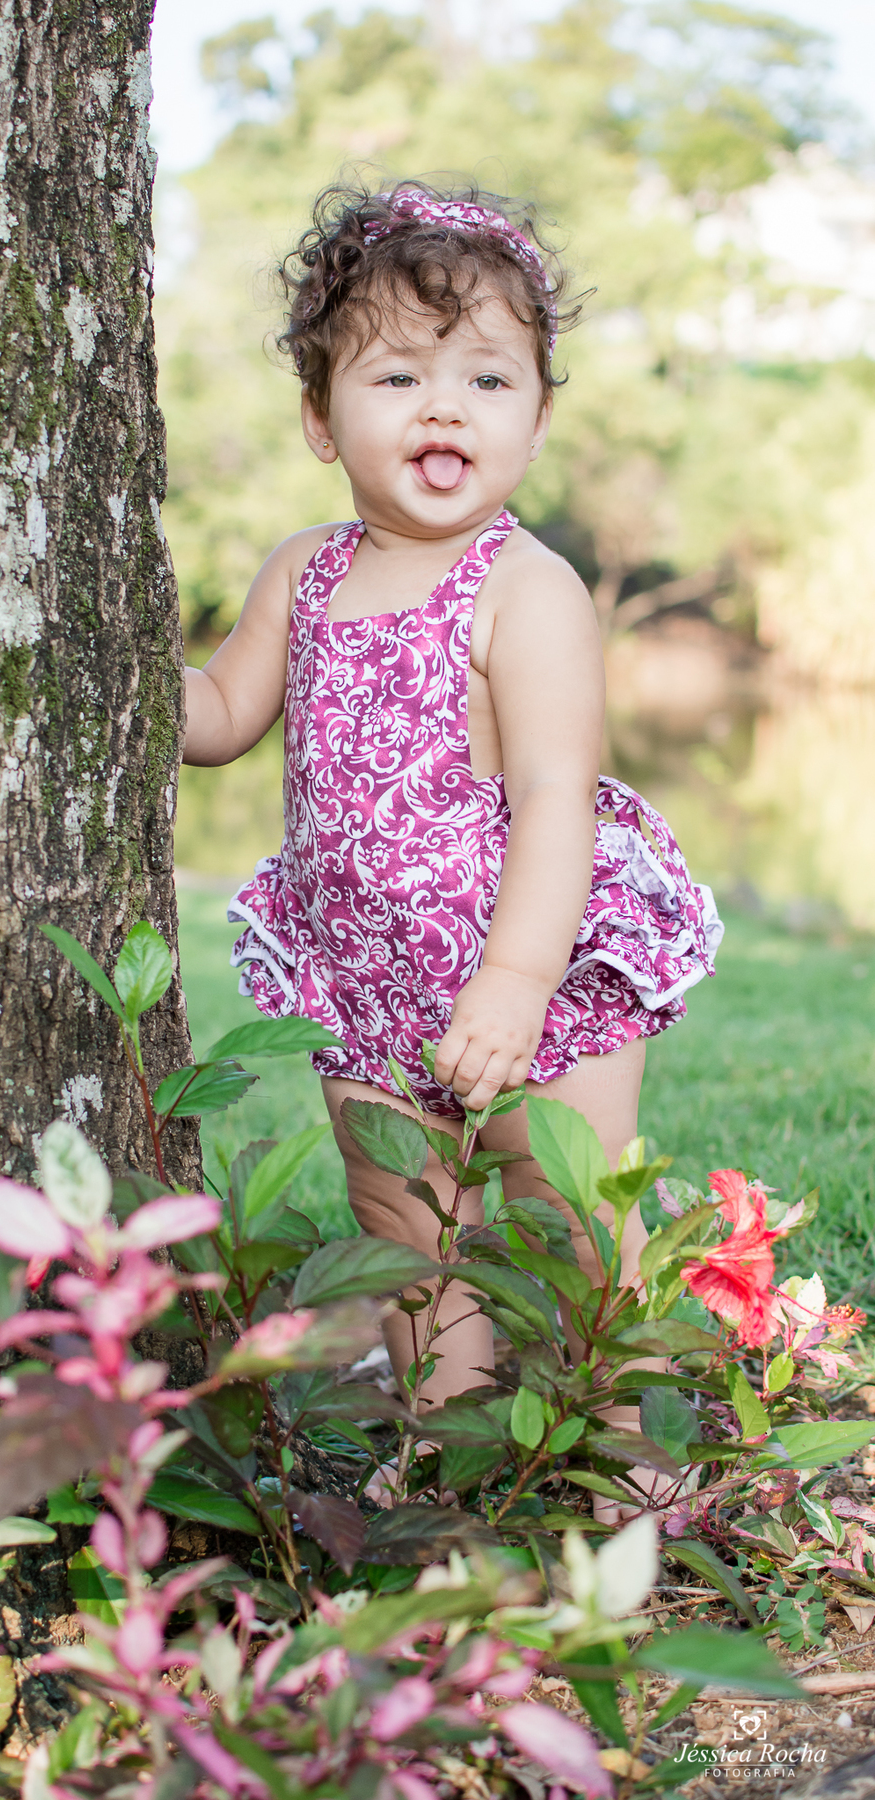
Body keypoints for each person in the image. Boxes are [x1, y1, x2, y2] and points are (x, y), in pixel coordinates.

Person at [182, 180, 722, 1466]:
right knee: (411, 1229)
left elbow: (554, 790)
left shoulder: (525, 588)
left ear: (536, 419)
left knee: (567, 1218)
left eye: (488, 380)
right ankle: (458, 1460)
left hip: (535, 965)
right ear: (321, 419)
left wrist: (519, 981)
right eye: (398, 377)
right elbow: (218, 713)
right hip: (365, 974)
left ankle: (632, 1470)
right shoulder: (302, 572)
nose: (443, 406)